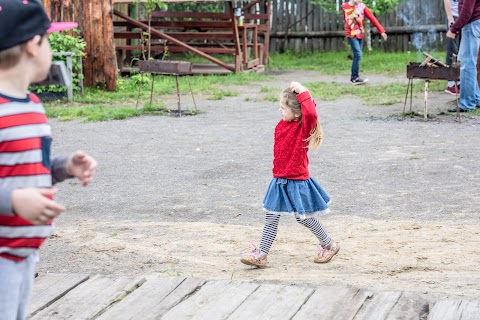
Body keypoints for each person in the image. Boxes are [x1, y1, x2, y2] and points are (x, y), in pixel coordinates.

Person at [0, 1, 97, 319]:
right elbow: (14, 188)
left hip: (24, 253)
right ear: (32, 45)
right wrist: (13, 200)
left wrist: (64, 167)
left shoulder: (32, 105)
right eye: (49, 39)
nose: (51, 48)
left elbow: (28, 165)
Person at [240, 82, 339, 269]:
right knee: (271, 218)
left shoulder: (303, 128)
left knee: (304, 218)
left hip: (298, 182)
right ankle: (261, 255)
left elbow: (310, 113)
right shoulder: (282, 123)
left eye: (283, 107)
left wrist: (303, 91)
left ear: (297, 113)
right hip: (278, 180)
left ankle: (329, 244)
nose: (279, 110)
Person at [342, 0, 388, 85]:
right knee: (358, 54)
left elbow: (372, 18)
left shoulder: (362, 7)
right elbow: (345, 20)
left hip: (360, 34)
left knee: (358, 56)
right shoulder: (345, 7)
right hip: (351, 35)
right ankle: (355, 78)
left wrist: (381, 31)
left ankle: (354, 77)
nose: (360, 0)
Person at [447, 0, 480, 112]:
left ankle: (467, 103)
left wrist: (454, 29)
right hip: (474, 23)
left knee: (467, 65)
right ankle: (476, 98)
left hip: (472, 24)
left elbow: (467, 11)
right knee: (469, 62)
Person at [444, 0, 461, 95]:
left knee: (462, 50)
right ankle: (451, 84)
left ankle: (459, 81)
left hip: (465, 16)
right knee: (453, 51)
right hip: (454, 16)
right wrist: (450, 19)